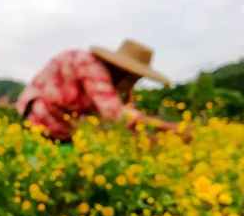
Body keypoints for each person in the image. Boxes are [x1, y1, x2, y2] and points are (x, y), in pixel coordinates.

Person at [16, 39, 177, 141]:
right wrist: (171, 129)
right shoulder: (91, 66)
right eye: (135, 77)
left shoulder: (108, 82)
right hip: (38, 120)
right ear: (125, 71)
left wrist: (146, 136)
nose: (134, 83)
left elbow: (121, 117)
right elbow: (115, 114)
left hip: (62, 129)